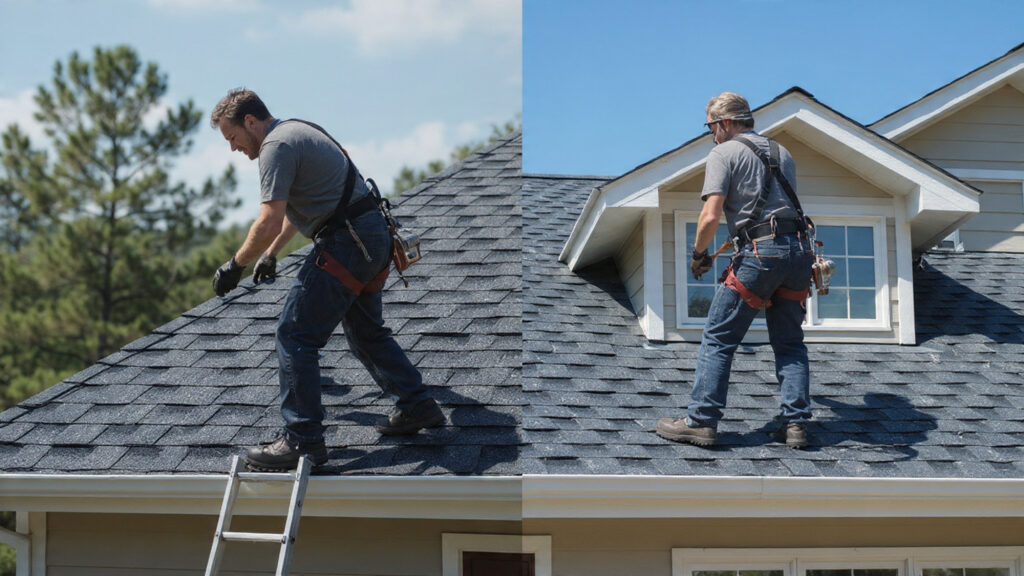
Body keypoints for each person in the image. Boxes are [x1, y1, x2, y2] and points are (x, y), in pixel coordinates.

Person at [209, 88, 444, 471]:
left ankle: (302, 440)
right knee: (367, 332)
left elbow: (268, 219)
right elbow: (302, 210)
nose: (233, 148)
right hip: (371, 237)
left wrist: (234, 265)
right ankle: (418, 405)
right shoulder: (300, 131)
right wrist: (270, 255)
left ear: (250, 121)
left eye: (232, 137)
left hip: (347, 242)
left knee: (295, 335)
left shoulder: (275, 148)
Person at [655, 92, 815, 449]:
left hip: (762, 254)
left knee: (718, 337)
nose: (711, 135)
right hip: (799, 252)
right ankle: (796, 425)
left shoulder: (723, 153)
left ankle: (701, 420)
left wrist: (698, 255)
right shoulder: (782, 153)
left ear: (725, 123)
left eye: (712, 127)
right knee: (789, 343)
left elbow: (710, 216)